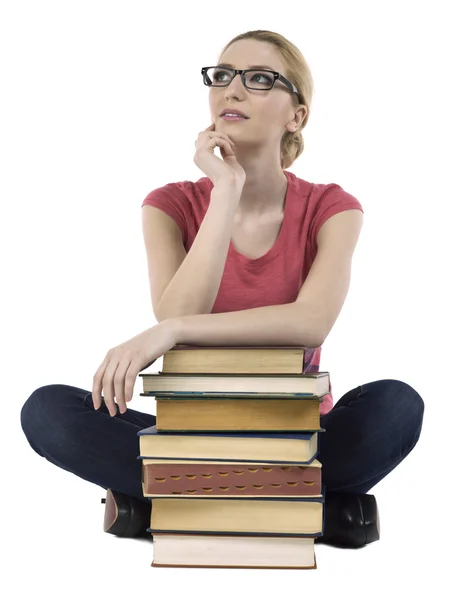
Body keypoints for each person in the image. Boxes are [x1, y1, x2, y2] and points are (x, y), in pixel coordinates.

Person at [20, 29, 424, 549]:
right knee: (48, 411)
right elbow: (179, 316)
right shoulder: (169, 204)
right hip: (190, 431)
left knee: (396, 405)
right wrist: (225, 192)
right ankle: (316, 510)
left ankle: (165, 504)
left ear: (296, 116)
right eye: (223, 75)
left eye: (259, 79)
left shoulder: (332, 207)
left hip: (296, 433)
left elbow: (308, 323)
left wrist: (172, 331)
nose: (232, 90)